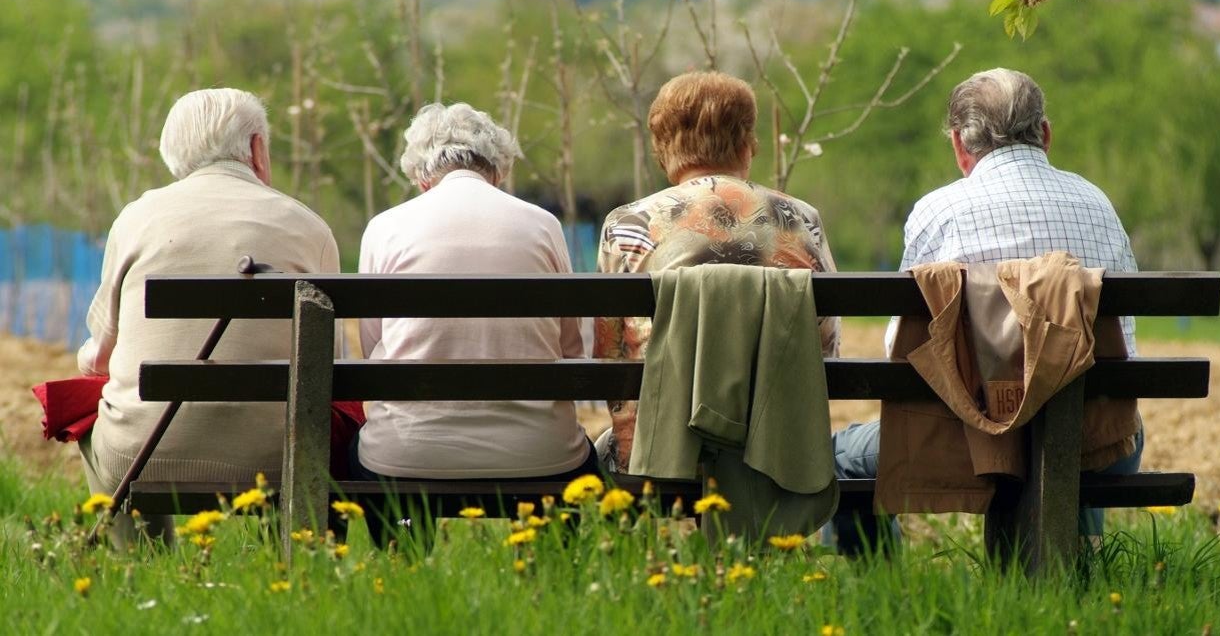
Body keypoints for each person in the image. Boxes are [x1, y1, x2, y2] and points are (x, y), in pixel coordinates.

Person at [834, 68, 1142, 541]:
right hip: (1096, 442)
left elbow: (900, 343)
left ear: (959, 144)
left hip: (965, 445)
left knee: (840, 458)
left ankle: (882, 587)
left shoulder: (939, 212)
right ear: (1044, 134)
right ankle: (1073, 575)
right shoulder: (1097, 204)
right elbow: (1126, 343)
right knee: (1076, 418)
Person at [78, 88, 340, 544]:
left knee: (86, 411)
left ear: (173, 155)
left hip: (144, 453)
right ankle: (293, 557)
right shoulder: (308, 226)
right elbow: (328, 368)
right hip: (280, 458)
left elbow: (100, 359)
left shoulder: (136, 219)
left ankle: (143, 562)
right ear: (258, 148)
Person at [350, 102, 594, 538]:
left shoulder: (384, 227)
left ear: (421, 177)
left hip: (406, 456)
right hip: (540, 453)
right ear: (498, 169)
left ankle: (404, 572)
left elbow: (373, 351)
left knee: (364, 454)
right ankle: (552, 578)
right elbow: (570, 350)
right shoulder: (543, 225)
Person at [595, 71, 839, 473]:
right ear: (747, 144)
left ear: (664, 148)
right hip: (777, 443)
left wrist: (630, 448)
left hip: (664, 443)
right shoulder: (800, 219)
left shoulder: (629, 224)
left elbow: (611, 353)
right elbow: (825, 341)